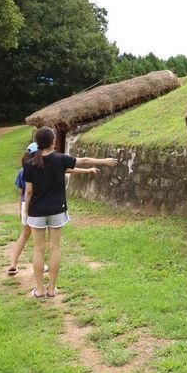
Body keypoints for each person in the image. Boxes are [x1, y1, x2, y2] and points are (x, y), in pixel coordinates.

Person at [23, 126, 117, 298]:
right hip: (57, 210)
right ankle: (52, 289)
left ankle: (40, 290)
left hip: (36, 211)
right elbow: (84, 160)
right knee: (55, 248)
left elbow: (28, 192)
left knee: (38, 249)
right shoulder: (60, 159)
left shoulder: (29, 164)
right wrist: (104, 161)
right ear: (52, 142)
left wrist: (26, 211)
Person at [6, 142, 39, 275]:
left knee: (24, 235)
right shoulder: (40, 169)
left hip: (26, 205)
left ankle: (13, 263)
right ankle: (40, 264)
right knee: (39, 238)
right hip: (37, 204)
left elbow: (21, 194)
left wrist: (21, 210)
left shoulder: (22, 171)